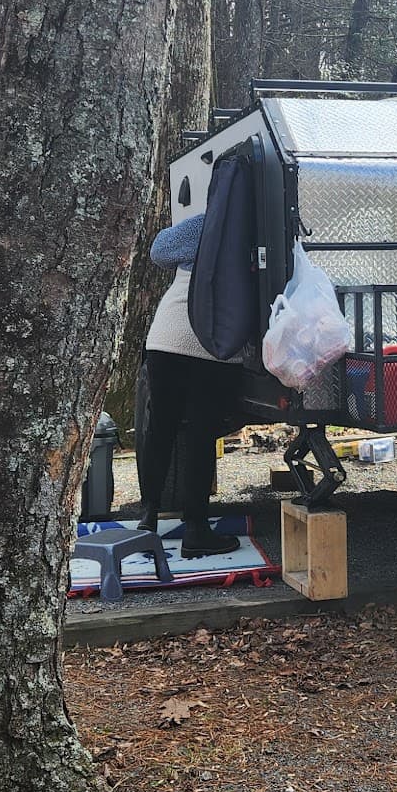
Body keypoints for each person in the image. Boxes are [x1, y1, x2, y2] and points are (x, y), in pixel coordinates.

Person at [137, 213, 244, 558]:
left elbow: (159, 251)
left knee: (161, 427)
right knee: (200, 433)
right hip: (212, 340)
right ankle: (196, 529)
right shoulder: (264, 223)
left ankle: (148, 514)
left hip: (166, 335)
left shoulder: (209, 221)